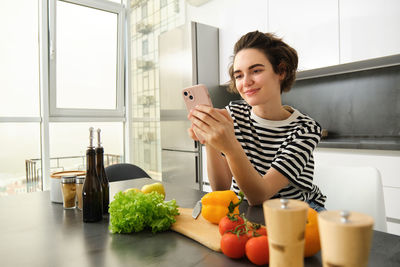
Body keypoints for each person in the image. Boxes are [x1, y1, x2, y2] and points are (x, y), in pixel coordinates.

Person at [187, 31, 326, 212]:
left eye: (256, 71)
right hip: (248, 214)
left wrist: (230, 146)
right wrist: (210, 140)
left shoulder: (305, 130)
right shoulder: (234, 114)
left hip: (294, 216)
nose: (246, 82)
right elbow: (220, 188)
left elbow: (260, 196)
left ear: (281, 71)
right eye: (239, 75)